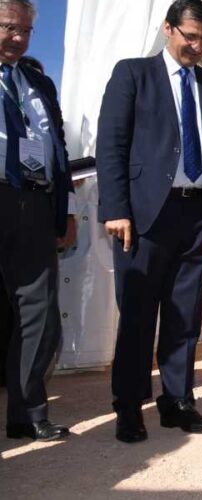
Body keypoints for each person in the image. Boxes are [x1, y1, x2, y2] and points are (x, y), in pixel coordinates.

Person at [97, 0, 202, 443]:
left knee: (185, 315)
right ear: (167, 29)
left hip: (198, 215)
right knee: (138, 314)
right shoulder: (132, 75)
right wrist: (116, 208)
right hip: (143, 217)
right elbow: (111, 146)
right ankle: (130, 406)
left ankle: (177, 401)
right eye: (189, 35)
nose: (196, 45)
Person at [0, 0, 76, 441]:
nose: (19, 38)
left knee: (40, 313)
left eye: (26, 30)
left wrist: (63, 208)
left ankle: (26, 414)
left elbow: (58, 151)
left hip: (32, 202)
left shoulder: (38, 83)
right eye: (10, 28)